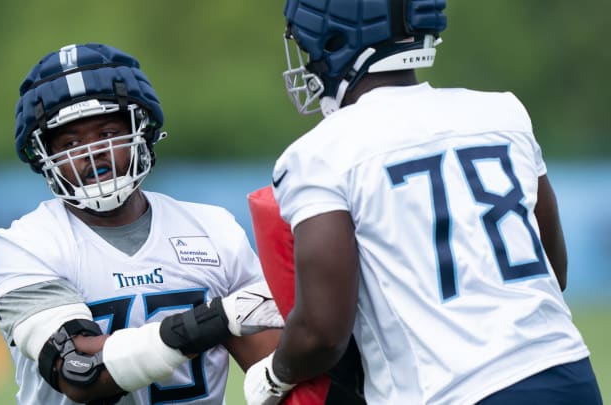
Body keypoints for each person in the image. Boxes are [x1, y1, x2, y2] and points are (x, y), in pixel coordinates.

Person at [244, 1, 603, 404]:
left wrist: (274, 376)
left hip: (451, 392)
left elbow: (322, 332)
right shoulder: (504, 111)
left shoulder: (320, 153)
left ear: (335, 40)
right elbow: (554, 269)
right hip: (569, 375)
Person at [0, 42, 282, 405]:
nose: (92, 151)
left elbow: (278, 371)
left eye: (108, 133)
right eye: (70, 142)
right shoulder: (25, 243)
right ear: (43, 157)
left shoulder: (214, 230)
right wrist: (215, 319)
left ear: (143, 131)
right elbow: (81, 370)